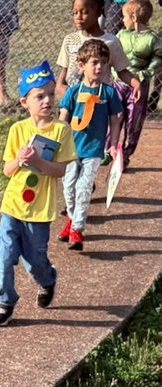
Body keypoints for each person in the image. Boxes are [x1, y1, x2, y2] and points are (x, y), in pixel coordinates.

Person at [0, 61, 76, 328]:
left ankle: (47, 280)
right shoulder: (17, 130)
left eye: (50, 94)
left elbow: (61, 170)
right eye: (39, 96)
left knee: (34, 262)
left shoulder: (61, 130)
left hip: (39, 210)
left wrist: (38, 162)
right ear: (25, 102)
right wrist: (18, 160)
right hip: (12, 205)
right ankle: (5, 303)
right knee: (3, 257)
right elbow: (7, 170)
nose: (47, 100)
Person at [57, 40, 122, 252]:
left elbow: (115, 120)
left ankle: (77, 229)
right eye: (94, 62)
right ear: (81, 65)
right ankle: (70, 219)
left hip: (93, 150)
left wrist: (113, 144)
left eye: (103, 62)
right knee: (68, 187)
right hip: (70, 150)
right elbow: (63, 120)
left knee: (84, 189)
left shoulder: (109, 93)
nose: (99, 67)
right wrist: (56, 144)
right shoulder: (73, 92)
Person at [56, 0, 141, 102]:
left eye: (84, 12)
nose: (78, 17)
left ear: (99, 12)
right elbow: (65, 70)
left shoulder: (111, 42)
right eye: (75, 12)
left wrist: (135, 84)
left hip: (99, 101)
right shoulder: (69, 40)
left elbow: (122, 71)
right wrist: (60, 86)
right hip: (73, 101)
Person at [112, 0, 162, 165]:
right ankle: (109, 149)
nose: (122, 20)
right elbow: (113, 54)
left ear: (133, 17)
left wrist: (144, 74)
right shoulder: (121, 35)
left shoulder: (152, 39)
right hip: (119, 83)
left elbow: (158, 58)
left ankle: (126, 154)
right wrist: (114, 71)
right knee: (115, 115)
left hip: (139, 87)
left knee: (134, 120)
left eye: (124, 16)